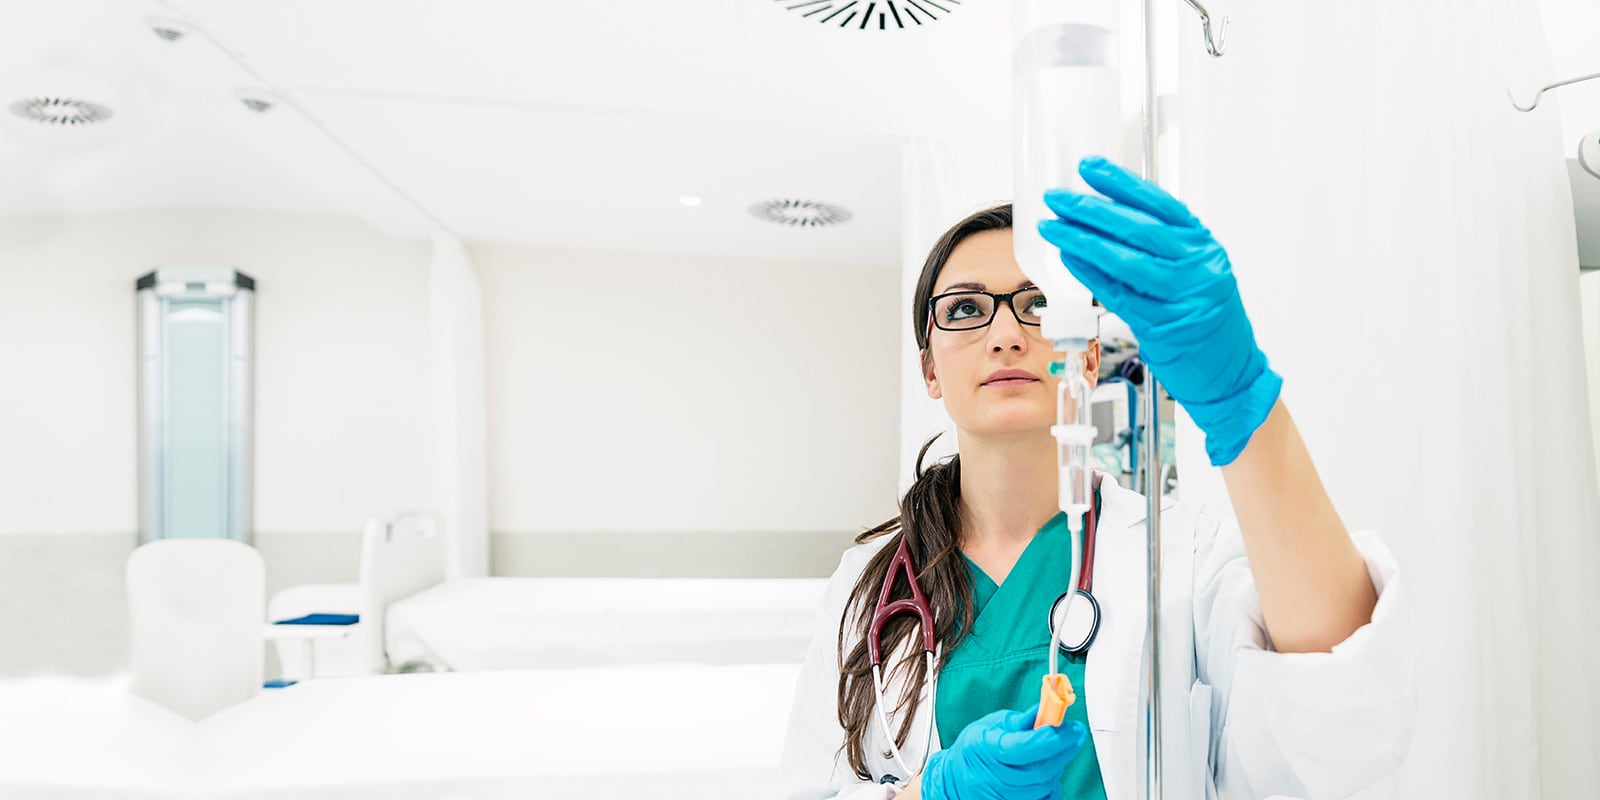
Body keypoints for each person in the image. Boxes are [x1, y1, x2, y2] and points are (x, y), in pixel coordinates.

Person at [780, 158, 1417, 800]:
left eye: (1038, 305)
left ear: (1085, 354)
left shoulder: (1180, 557)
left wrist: (1242, 398)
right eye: (967, 308)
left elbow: (1348, 731)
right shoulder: (866, 589)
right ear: (930, 370)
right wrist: (929, 795)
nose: (1005, 333)